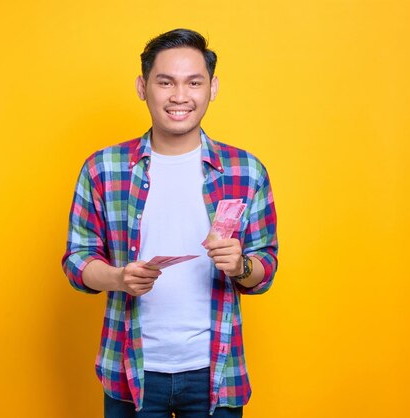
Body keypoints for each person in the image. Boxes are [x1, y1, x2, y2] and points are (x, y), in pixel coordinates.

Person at [62, 28, 278, 418]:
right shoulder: (103, 168)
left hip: (216, 370)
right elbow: (78, 261)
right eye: (166, 82)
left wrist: (242, 265)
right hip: (130, 368)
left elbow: (265, 269)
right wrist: (118, 279)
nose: (180, 96)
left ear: (212, 88)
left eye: (193, 82)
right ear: (142, 87)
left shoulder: (246, 170)